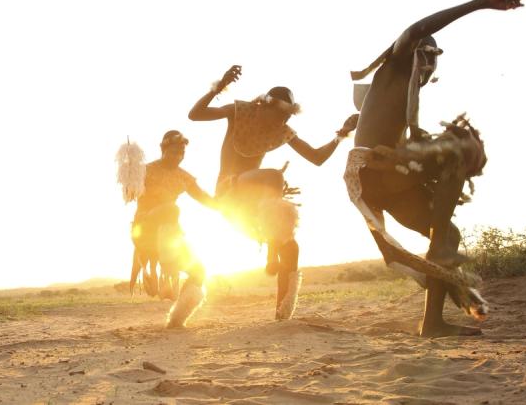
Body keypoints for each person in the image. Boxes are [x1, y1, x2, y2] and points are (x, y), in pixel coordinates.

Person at [345, 0, 526, 337]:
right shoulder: (396, 66)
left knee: (447, 232)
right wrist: (481, 3)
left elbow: (406, 146)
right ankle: (445, 285)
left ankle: (431, 323)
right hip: (373, 171)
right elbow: (415, 31)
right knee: (458, 146)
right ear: (414, 51)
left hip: (389, 180)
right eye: (426, 55)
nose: (430, 65)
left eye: (435, 59)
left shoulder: (407, 95)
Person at [188, 66, 358, 320]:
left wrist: (342, 134)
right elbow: (195, 115)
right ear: (264, 105)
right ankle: (270, 249)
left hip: (252, 206)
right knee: (274, 176)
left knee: (290, 246)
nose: (283, 122)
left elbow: (316, 157)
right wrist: (220, 86)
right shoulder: (239, 111)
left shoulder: (280, 130)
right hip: (228, 190)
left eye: (287, 117)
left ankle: (282, 313)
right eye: (280, 115)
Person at [121, 130, 215, 327]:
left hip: (170, 236)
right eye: (174, 151)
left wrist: (228, 203)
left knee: (199, 271)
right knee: (172, 208)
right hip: (145, 228)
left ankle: (176, 319)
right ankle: (166, 266)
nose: (178, 156)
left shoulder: (184, 177)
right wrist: (129, 173)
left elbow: (204, 198)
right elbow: (129, 195)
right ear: (163, 149)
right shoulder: (146, 170)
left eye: (182, 152)